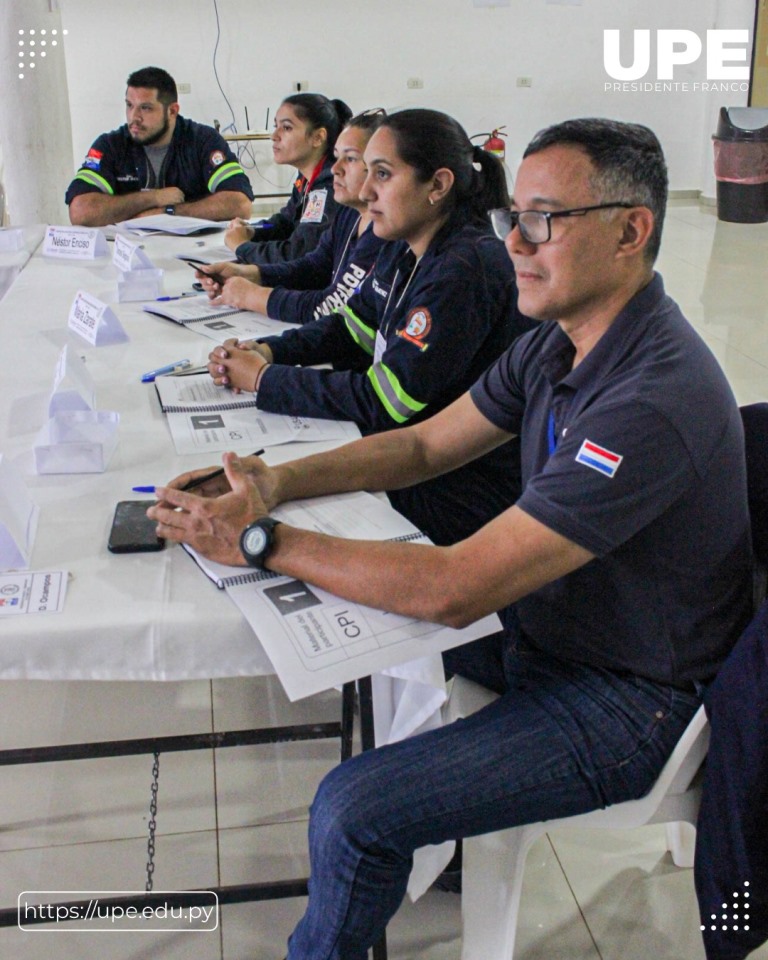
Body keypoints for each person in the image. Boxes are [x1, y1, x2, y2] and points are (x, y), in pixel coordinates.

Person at [148, 118, 753, 960]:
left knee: (354, 810)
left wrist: (260, 541)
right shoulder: (561, 338)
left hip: (628, 691)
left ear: (631, 230)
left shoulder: (650, 397)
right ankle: (459, 843)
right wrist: (276, 481)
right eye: (514, 220)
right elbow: (429, 442)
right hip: (557, 622)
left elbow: (454, 589)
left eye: (543, 222)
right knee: (362, 647)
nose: (515, 245)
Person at [203, 108, 535, 544]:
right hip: (408, 452)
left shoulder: (464, 268)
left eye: (382, 174)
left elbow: (390, 402)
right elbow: (350, 327)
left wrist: (267, 381)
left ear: (437, 185)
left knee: (264, 524)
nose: (364, 189)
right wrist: (269, 351)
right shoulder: (405, 244)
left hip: (461, 486)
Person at [194, 109, 387, 325]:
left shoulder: (384, 231)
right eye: (337, 156)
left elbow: (333, 305)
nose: (335, 168)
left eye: (350, 158)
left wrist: (251, 292)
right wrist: (249, 273)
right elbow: (314, 265)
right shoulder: (348, 210)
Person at [65, 66, 253, 227]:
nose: (134, 117)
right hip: (128, 256)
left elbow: (239, 204)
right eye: (129, 105)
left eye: (145, 108)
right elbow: (81, 211)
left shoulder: (202, 140)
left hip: (193, 255)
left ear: (172, 111)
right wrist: (153, 198)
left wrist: (168, 212)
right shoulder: (111, 145)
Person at [224, 93, 352, 266]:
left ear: (318, 137)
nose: (274, 136)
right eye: (275, 126)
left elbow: (297, 253)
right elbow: (286, 221)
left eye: (286, 128)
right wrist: (252, 231)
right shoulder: (307, 177)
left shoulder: (328, 186)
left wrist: (242, 247)